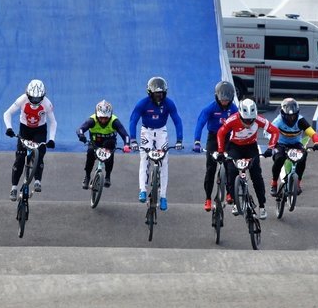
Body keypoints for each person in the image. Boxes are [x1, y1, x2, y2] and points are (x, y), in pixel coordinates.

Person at [215, 98, 278, 219]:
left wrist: (270, 148)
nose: (249, 123)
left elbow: (274, 131)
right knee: (232, 171)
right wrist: (221, 151)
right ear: (240, 115)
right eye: (246, 120)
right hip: (235, 147)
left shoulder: (259, 119)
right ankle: (233, 200)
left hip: (251, 147)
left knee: (256, 176)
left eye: (251, 120)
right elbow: (220, 133)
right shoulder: (232, 119)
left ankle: (262, 206)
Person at [128, 76, 184, 211]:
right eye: (156, 94)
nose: (159, 97)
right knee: (144, 159)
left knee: (164, 162)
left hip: (161, 132)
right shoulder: (142, 103)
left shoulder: (169, 103)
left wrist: (179, 140)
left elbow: (177, 120)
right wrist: (133, 140)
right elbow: (133, 120)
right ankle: (142, 189)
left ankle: (163, 196)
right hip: (146, 132)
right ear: (150, 93)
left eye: (161, 94)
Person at [3, 79, 57, 201]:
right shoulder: (22, 99)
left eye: (38, 99)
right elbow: (7, 113)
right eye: (32, 98)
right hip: (25, 130)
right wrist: (9, 128)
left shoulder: (47, 104)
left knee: (40, 153)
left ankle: (37, 180)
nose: (35, 101)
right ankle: (14, 187)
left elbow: (53, 122)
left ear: (43, 96)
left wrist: (52, 139)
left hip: (39, 130)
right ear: (27, 94)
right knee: (20, 158)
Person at [193, 80, 239, 212]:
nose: (224, 102)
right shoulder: (210, 108)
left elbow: (240, 124)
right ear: (217, 96)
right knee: (210, 169)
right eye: (222, 99)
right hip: (213, 138)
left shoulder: (234, 109)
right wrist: (197, 141)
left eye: (227, 100)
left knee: (231, 166)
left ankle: (230, 193)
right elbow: (200, 123)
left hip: (228, 139)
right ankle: (208, 198)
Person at [268, 98, 318, 197]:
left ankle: (298, 183)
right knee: (279, 158)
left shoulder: (301, 120)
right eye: (289, 116)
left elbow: (313, 134)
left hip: (296, 144)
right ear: (283, 114)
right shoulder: (278, 121)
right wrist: (273, 143)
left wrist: (317, 142)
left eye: (293, 116)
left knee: (303, 156)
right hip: (281, 144)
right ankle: (274, 182)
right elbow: (269, 132)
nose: (291, 118)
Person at [76, 100, 131, 189]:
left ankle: (107, 176)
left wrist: (127, 145)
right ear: (97, 115)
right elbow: (80, 129)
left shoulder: (114, 121)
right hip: (95, 143)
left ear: (110, 116)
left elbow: (125, 135)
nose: (103, 120)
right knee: (90, 153)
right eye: (101, 117)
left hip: (109, 143)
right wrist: (81, 135)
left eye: (106, 118)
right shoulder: (92, 120)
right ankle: (87, 176)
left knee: (110, 152)